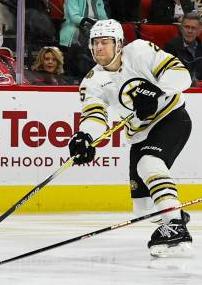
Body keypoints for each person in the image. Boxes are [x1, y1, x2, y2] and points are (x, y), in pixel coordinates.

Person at [68, 19, 193, 257]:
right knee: (143, 208)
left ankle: (176, 226)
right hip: (139, 134)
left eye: (105, 42)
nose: (99, 48)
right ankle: (174, 215)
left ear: (119, 44)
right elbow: (95, 115)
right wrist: (85, 137)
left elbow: (182, 75)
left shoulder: (140, 51)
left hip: (171, 118)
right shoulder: (92, 81)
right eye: (95, 43)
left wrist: (157, 93)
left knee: (149, 164)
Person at [60, 0, 108, 77]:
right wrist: (92, 23)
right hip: (74, 27)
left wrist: (107, 25)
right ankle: (86, 73)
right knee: (86, 38)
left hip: (95, 28)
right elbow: (74, 17)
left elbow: (103, 17)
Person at [163, 12, 202, 83]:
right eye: (187, 27)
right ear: (181, 28)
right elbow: (166, 73)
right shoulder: (170, 47)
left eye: (193, 28)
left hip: (201, 89)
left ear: (199, 31)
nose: (189, 31)